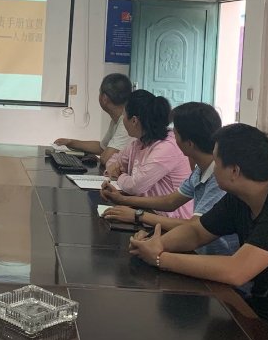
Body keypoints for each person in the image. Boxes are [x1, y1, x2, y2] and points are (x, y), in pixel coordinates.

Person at [128, 123, 268, 321]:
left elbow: (236, 271)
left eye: (216, 162)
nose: (213, 168)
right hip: (267, 306)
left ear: (234, 171)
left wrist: (160, 258)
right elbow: (196, 232)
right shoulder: (240, 198)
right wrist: (156, 243)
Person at [101, 102, 239, 255]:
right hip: (197, 249)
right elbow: (170, 201)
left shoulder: (219, 179)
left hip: (213, 258)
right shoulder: (200, 170)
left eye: (176, 133)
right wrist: (122, 199)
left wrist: (138, 215)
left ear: (189, 144)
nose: (172, 136)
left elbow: (194, 228)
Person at [102, 91, 193, 218]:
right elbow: (113, 160)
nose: (123, 120)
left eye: (124, 116)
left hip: (171, 220)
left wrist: (120, 175)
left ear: (134, 120)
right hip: (147, 212)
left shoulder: (167, 147)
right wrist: (114, 169)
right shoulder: (139, 142)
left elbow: (135, 186)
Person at [54, 73, 132, 164]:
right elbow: (102, 148)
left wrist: (100, 156)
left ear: (104, 98)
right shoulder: (116, 119)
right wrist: (70, 142)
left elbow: (106, 158)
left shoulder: (126, 123)